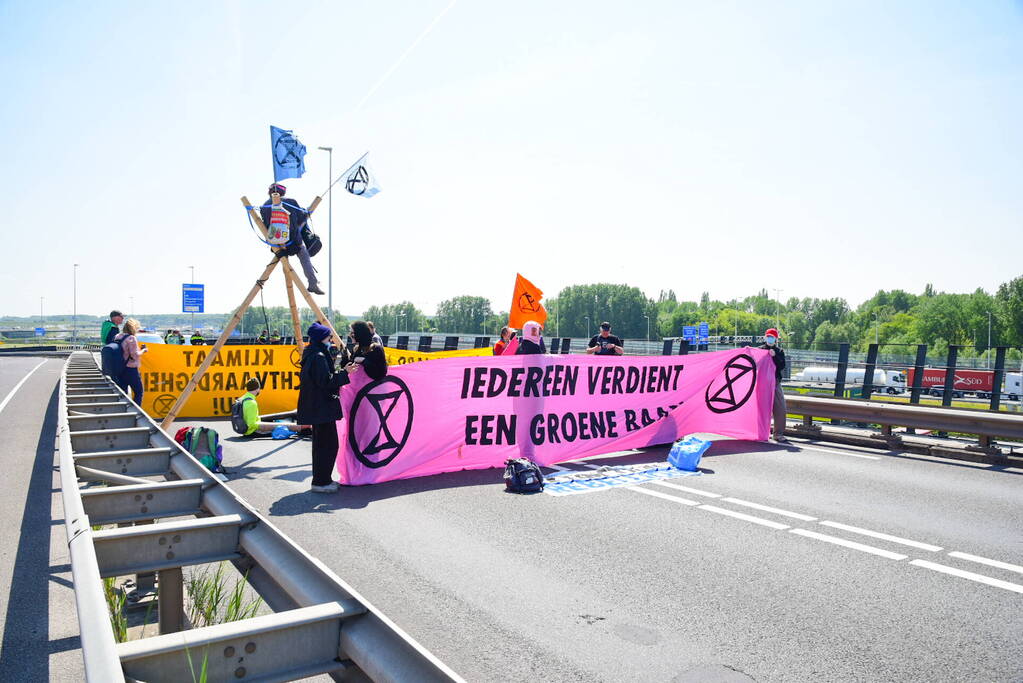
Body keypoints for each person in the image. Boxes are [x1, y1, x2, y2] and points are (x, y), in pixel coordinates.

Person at [297, 322, 360, 493]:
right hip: (321, 408)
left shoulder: (312, 353)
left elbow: (324, 378)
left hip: (317, 407)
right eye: (329, 337)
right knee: (328, 445)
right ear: (321, 338)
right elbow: (326, 382)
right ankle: (321, 482)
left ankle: (322, 479)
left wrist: (341, 372)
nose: (331, 340)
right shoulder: (318, 356)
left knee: (321, 445)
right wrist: (345, 373)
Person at [259, 183, 325, 295]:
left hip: (276, 243)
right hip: (294, 242)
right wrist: (306, 211)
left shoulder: (264, 206)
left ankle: (313, 283)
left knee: (295, 253)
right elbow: (302, 217)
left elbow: (265, 225)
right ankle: (313, 283)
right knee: (304, 256)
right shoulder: (291, 202)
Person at [236, 377, 305, 437]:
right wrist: (273, 426)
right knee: (280, 427)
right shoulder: (251, 403)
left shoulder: (242, 398)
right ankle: (303, 427)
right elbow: (252, 425)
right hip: (251, 432)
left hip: (245, 429)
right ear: (257, 389)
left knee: (274, 421)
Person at [759, 327, 788, 443]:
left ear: (776, 339)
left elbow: (782, 366)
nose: (770, 339)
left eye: (772, 337)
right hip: (762, 383)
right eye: (768, 336)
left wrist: (774, 356)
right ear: (765, 337)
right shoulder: (760, 350)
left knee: (781, 408)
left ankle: (778, 434)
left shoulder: (779, 351)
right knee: (761, 408)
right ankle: (760, 433)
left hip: (775, 382)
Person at [114, 318, 147, 404]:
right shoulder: (131, 338)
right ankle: (136, 414)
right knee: (139, 392)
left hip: (119, 369)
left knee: (122, 393)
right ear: (133, 328)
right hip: (130, 369)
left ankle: (122, 412)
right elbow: (134, 355)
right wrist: (143, 350)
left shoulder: (118, 336)